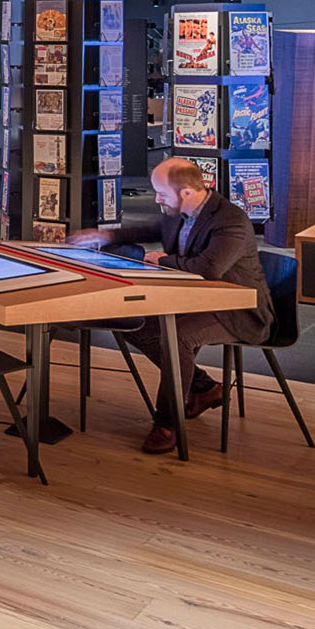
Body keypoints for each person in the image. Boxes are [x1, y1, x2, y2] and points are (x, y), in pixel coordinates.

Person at [69, 157, 271, 455]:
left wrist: (162, 260)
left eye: (161, 193)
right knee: (132, 322)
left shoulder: (230, 219)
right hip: (197, 300)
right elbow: (151, 230)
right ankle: (202, 387)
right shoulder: (178, 211)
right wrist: (105, 235)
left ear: (186, 192)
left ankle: (167, 424)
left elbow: (209, 268)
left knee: (177, 337)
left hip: (238, 309)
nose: (157, 198)